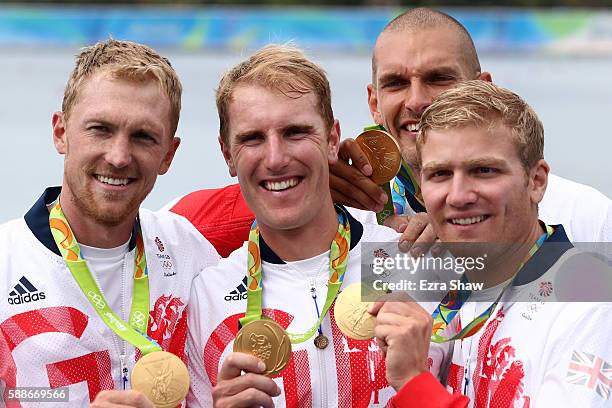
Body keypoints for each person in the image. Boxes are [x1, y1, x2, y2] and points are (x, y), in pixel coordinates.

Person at [167, 7, 610, 258]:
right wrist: (314, 194)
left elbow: (590, 302)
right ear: (373, 102)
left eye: (439, 78)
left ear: (482, 87)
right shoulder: (350, 209)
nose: (416, 101)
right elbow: (173, 230)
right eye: (396, 83)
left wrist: (468, 245)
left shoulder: (579, 210)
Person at [185, 44, 438, 407]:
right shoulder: (205, 296)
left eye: (295, 132)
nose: (275, 158)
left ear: (332, 140)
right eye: (252, 138)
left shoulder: (417, 254)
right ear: (227, 154)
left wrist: (463, 231)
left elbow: (544, 276)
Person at [0, 39, 219, 406]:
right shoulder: (4, 263)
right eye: (100, 129)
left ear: (168, 154)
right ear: (61, 132)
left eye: (143, 137)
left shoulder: (191, 255)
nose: (119, 157)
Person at [380, 80, 612, 407]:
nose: (458, 196)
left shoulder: (592, 298)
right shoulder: (450, 280)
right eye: (440, 174)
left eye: (484, 170)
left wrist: (414, 383)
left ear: (536, 181)